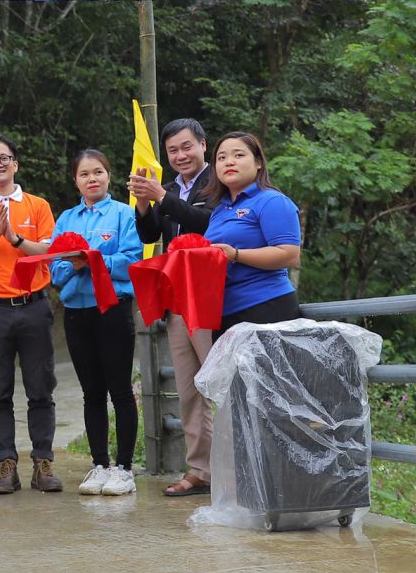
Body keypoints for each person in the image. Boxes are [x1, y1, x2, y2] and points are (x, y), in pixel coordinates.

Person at [0, 135, 62, 494]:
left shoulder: (37, 206)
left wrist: (16, 238)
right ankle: (6, 465)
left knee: (40, 387)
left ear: (16, 164)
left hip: (34, 305)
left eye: (4, 158)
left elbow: (48, 253)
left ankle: (42, 463)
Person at [129, 117, 218, 498]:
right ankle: (200, 470)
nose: (180, 155)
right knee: (188, 390)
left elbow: (207, 222)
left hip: (210, 297)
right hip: (178, 300)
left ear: (202, 144)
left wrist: (164, 199)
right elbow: (152, 236)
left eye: (186, 147)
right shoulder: (166, 189)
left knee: (223, 385)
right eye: (173, 150)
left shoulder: (220, 183)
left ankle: (237, 470)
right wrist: (146, 205)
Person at [50, 150, 143, 497]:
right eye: (85, 174)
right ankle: (100, 464)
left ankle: (124, 468)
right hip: (77, 311)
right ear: (75, 180)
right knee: (91, 392)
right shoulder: (67, 219)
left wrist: (92, 258)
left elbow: (131, 260)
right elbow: (54, 268)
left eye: (99, 172)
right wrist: (73, 265)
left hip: (113, 309)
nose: (92, 179)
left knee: (119, 388)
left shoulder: (124, 214)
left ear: (109, 175)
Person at [202, 131, 304, 333]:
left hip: (266, 306)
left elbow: (290, 255)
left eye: (238, 155)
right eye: (221, 158)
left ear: (258, 162)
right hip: (224, 314)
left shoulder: (272, 201)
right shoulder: (219, 210)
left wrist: (236, 255)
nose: (229, 162)